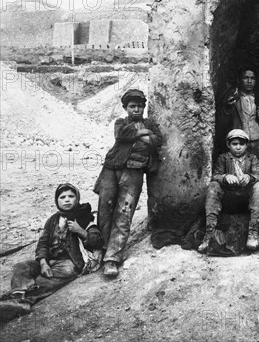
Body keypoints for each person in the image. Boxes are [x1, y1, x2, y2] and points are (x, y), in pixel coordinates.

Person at [0, 183, 103, 321]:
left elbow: (97, 241)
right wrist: (42, 262)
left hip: (70, 261)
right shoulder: (53, 220)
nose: (67, 200)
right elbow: (42, 243)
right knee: (22, 266)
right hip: (50, 259)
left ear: (77, 198)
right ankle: (17, 296)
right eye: (62, 197)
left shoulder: (84, 216)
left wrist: (81, 231)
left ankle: (27, 299)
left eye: (71, 196)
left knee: (64, 270)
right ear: (57, 201)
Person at [94, 88, 162, 278]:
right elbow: (121, 134)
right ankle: (103, 248)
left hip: (134, 172)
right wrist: (142, 132)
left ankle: (112, 258)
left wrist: (142, 132)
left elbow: (156, 141)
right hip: (111, 169)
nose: (136, 110)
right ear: (125, 107)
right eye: (132, 106)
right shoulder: (120, 122)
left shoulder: (150, 124)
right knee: (105, 208)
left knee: (124, 212)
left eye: (140, 106)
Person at [198, 129, 259, 253]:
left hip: (245, 198)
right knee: (213, 185)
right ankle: (209, 234)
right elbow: (215, 175)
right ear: (228, 145)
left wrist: (250, 177)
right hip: (228, 198)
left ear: (246, 145)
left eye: (241, 144)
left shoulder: (252, 158)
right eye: (234, 144)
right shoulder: (223, 158)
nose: (238, 147)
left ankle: (253, 231)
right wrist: (225, 177)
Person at [218, 68, 259, 162]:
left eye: (252, 78)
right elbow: (223, 120)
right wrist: (228, 107)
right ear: (239, 80)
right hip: (241, 143)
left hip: (258, 143)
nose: (249, 81)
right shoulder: (234, 97)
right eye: (246, 78)